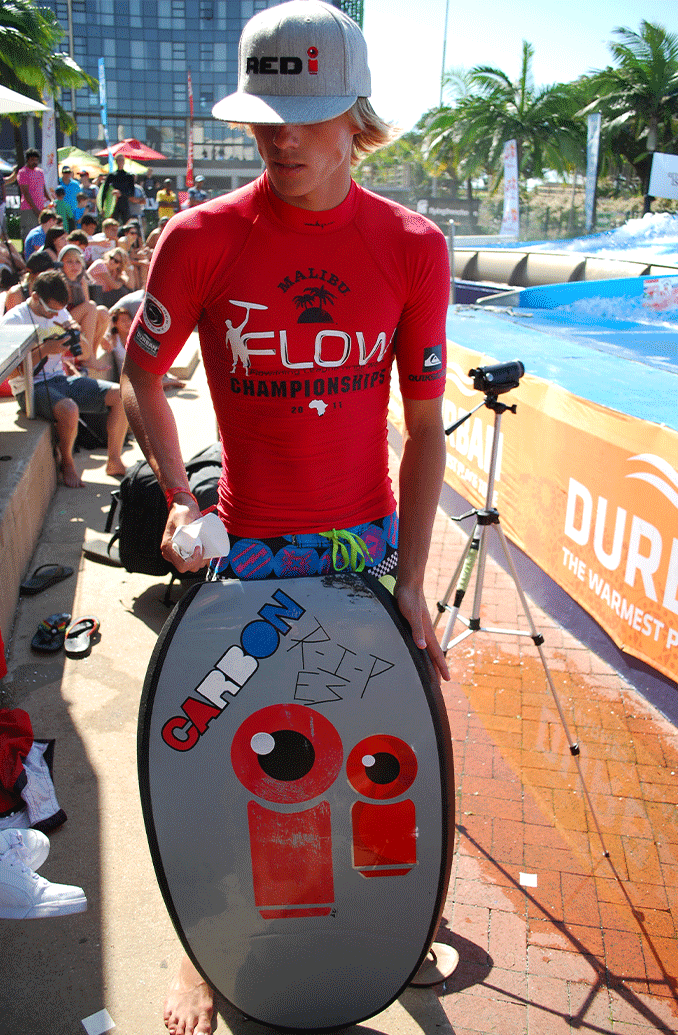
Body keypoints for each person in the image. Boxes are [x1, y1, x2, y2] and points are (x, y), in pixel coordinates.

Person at [121, 5, 450, 1032]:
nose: (281, 137)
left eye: (306, 115)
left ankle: (390, 914)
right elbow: (142, 372)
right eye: (266, 116)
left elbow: (424, 431)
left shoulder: (413, 246)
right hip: (247, 558)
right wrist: (180, 496)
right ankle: (206, 947)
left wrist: (412, 582)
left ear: (357, 116)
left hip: (363, 551)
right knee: (227, 752)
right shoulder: (201, 237)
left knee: (375, 742)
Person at [1, 268, 128, 486]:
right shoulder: (14, 320)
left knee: (122, 394)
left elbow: (85, 355)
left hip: (59, 379)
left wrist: (77, 336)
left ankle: (114, 460)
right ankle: (67, 464)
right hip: (30, 388)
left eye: (58, 310)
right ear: (35, 297)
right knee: (69, 409)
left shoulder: (60, 313)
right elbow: (10, 372)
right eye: (51, 310)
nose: (54, 315)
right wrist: (45, 349)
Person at [58, 244, 109, 365]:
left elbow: (89, 311)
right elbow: (59, 313)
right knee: (91, 306)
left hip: (76, 319)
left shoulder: (81, 280)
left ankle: (92, 353)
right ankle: (88, 356)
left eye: (77, 262)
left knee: (102, 312)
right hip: (62, 321)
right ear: (61, 264)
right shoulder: (59, 281)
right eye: (69, 262)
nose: (74, 265)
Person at [17, 150, 53, 237]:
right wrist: (36, 210)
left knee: (41, 234)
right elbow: (26, 194)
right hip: (28, 209)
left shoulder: (40, 172)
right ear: (28, 160)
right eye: (32, 160)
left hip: (41, 208)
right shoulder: (23, 172)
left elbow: (44, 189)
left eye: (36, 160)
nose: (35, 162)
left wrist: (51, 200)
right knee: (29, 233)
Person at [101, 155, 135, 224]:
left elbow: (132, 193)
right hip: (112, 204)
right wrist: (102, 207)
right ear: (116, 162)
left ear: (124, 162)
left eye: (122, 160)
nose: (120, 162)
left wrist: (121, 193)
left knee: (126, 224)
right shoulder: (111, 176)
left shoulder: (129, 176)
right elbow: (104, 192)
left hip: (124, 203)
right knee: (111, 223)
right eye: (119, 160)